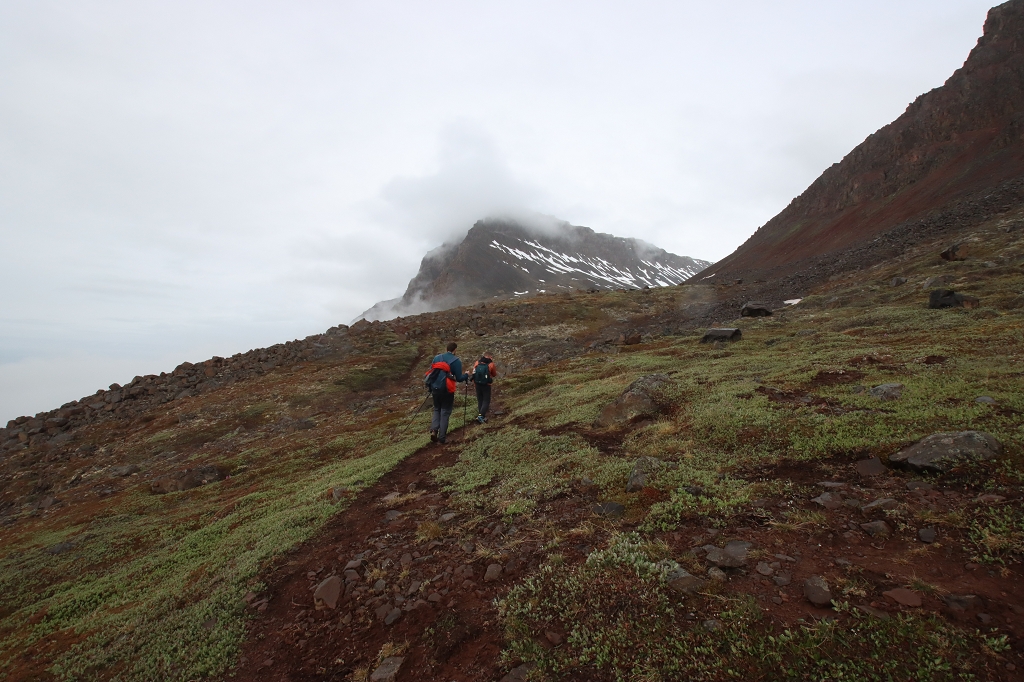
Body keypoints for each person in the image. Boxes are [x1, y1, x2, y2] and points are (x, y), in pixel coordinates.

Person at [425, 342, 469, 444]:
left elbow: (432, 372)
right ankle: (442, 438)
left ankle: (434, 430)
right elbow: (459, 378)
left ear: (446, 348)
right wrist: (466, 375)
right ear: (455, 350)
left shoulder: (437, 358)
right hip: (447, 390)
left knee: (437, 409)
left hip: (435, 388)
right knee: (445, 411)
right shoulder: (456, 361)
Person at [472, 352, 497, 423]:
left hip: (477, 384)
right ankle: (481, 416)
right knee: (486, 401)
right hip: (486, 385)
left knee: (480, 400)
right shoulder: (491, 364)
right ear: (490, 357)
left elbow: (474, 372)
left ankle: (481, 416)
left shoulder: (477, 362)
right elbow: (494, 374)